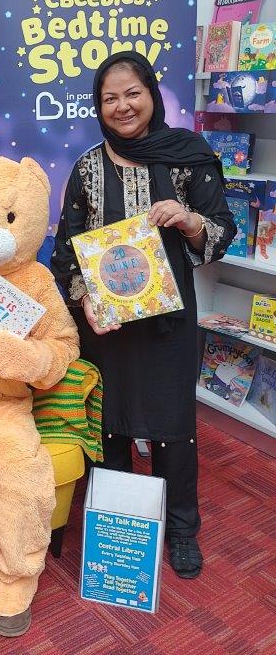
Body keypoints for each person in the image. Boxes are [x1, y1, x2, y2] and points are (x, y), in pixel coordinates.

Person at [51, 51, 237, 579]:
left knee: (173, 428)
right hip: (107, 328)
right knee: (110, 425)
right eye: (110, 98)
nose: (122, 106)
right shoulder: (88, 167)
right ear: (98, 105)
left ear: (151, 93)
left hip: (169, 323)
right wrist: (84, 301)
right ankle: (119, 528)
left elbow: (221, 233)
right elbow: (66, 250)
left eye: (132, 92)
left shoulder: (188, 157)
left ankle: (181, 529)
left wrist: (189, 218)